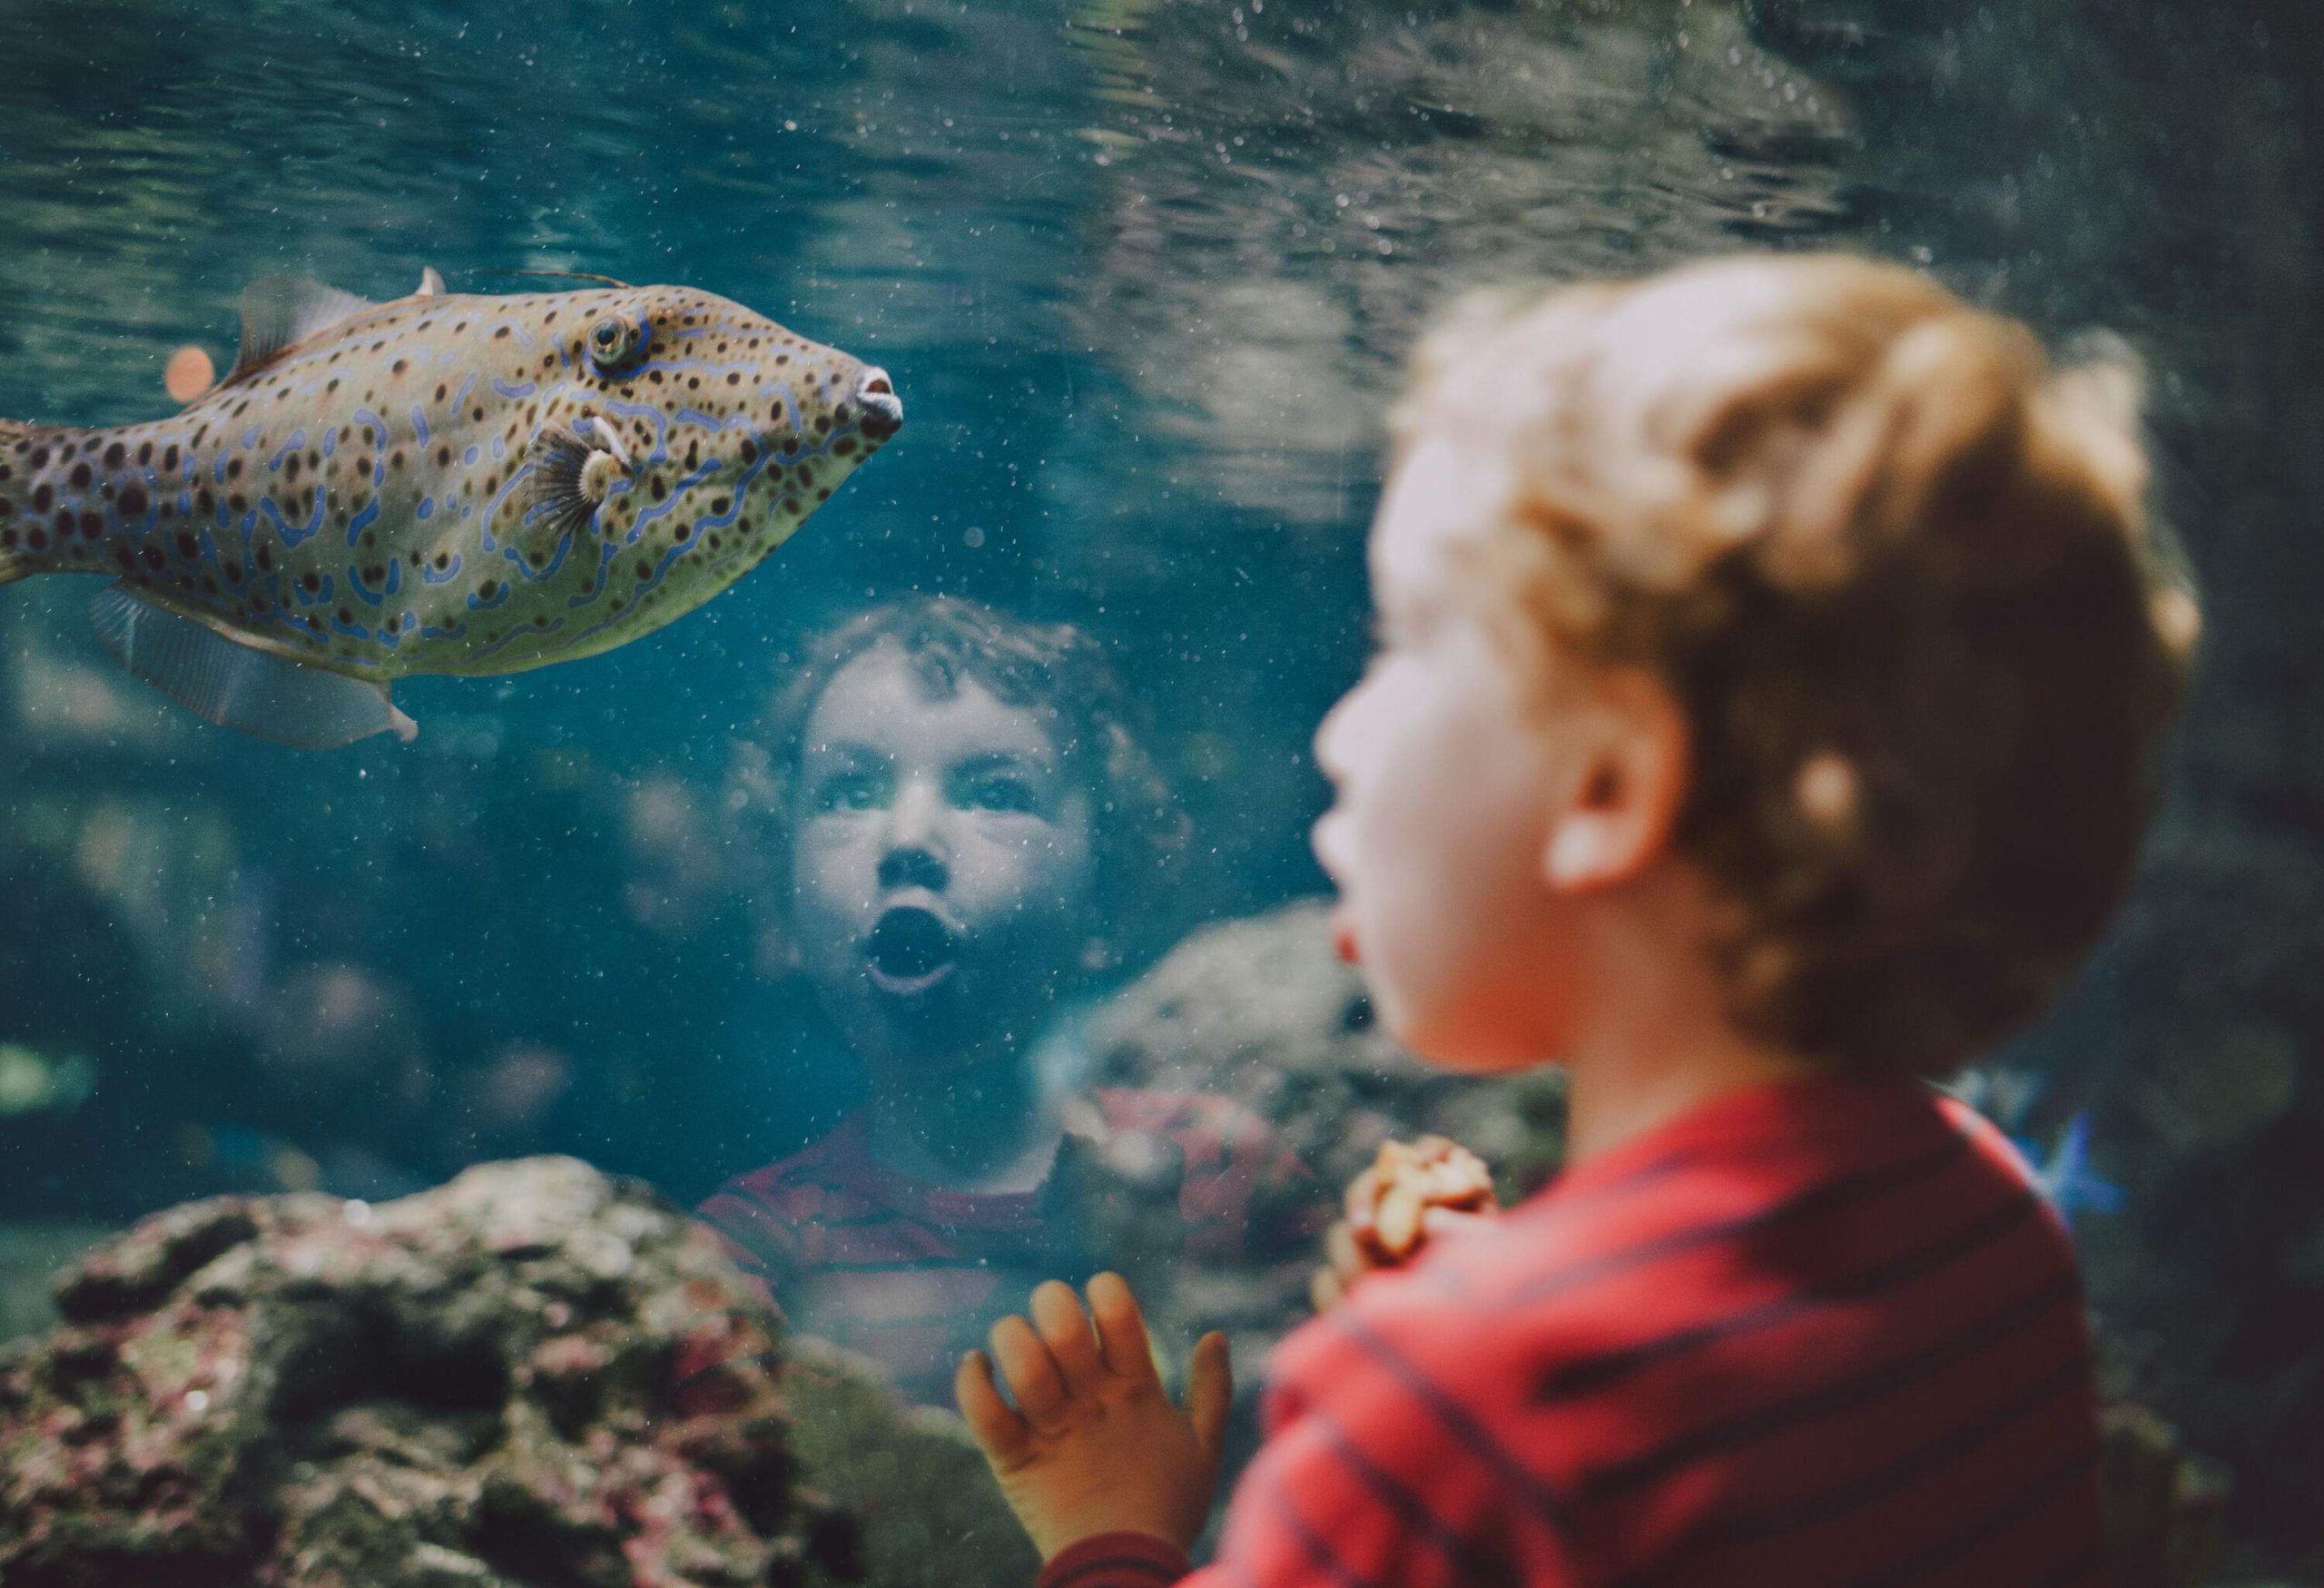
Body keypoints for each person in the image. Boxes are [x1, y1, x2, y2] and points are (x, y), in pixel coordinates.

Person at [951, 253, 2197, 1586]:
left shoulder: (1437, 1400)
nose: (1339, 735)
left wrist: (1117, 1540)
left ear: (1610, 784)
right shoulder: (1989, 1225)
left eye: (1400, 644)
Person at [695, 595, 1317, 1406]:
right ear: (779, 904)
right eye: (851, 792)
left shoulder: (1221, 1176)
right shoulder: (750, 1252)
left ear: (1106, 892)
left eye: (994, 792)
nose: (908, 838)